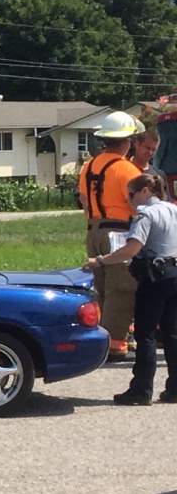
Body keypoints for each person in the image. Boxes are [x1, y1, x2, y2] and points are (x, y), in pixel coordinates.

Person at [83, 171, 177, 405]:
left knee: (145, 334)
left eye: (132, 195)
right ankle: (175, 389)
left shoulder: (145, 214)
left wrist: (101, 260)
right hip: (174, 274)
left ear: (146, 191)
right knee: (172, 333)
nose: (130, 200)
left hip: (154, 278)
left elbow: (131, 249)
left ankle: (141, 390)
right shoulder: (173, 209)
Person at [78, 111, 144, 361]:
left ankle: (103, 336)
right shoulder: (127, 169)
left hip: (94, 230)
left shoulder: (89, 166)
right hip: (118, 232)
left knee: (102, 287)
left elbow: (84, 199)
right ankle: (116, 343)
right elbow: (137, 205)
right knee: (122, 288)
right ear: (127, 141)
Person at [131, 129, 169, 199]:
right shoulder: (123, 169)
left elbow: (166, 202)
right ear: (137, 144)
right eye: (147, 148)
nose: (150, 152)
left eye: (154, 150)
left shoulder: (159, 174)